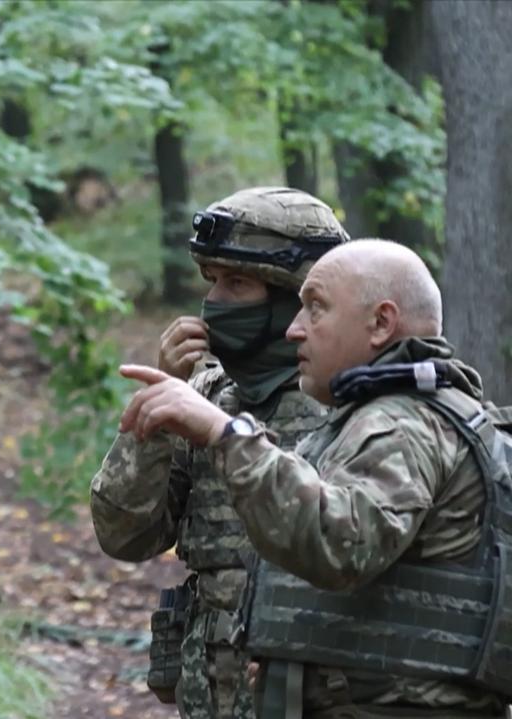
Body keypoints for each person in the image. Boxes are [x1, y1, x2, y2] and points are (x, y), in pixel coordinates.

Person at [117, 239, 510, 717]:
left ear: (381, 323)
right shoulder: (385, 417)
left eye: (315, 309)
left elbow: (340, 543)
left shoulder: (403, 424)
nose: (294, 331)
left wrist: (226, 434)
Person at [91, 187, 347, 718]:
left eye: (237, 283)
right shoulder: (205, 394)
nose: (214, 304)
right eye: (211, 283)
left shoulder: (351, 406)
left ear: (293, 296)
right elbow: (125, 535)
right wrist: (158, 413)